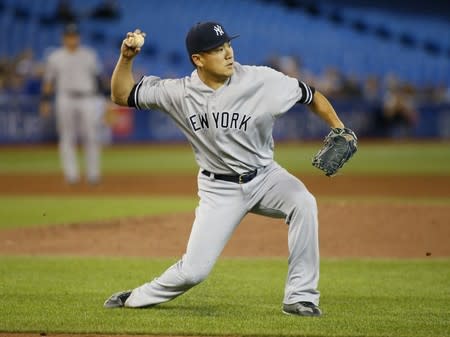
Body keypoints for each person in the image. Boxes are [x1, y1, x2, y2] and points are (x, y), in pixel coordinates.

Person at [104, 21, 349, 317]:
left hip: (266, 176)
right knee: (194, 272)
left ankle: (301, 297)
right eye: (218, 49)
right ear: (198, 59)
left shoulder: (262, 80)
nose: (228, 53)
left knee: (304, 203)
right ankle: (134, 297)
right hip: (218, 189)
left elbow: (310, 95)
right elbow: (121, 95)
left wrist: (339, 127)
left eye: (228, 45)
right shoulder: (179, 93)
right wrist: (127, 59)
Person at [40, 23, 103, 184]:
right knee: (67, 137)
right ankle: (71, 175)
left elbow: (98, 79)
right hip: (65, 97)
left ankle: (93, 175)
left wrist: (105, 100)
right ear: (63, 38)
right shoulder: (55, 56)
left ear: (79, 37)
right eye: (69, 36)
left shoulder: (89, 55)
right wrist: (45, 101)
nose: (72, 39)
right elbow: (48, 81)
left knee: (91, 136)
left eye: (74, 35)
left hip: (87, 97)